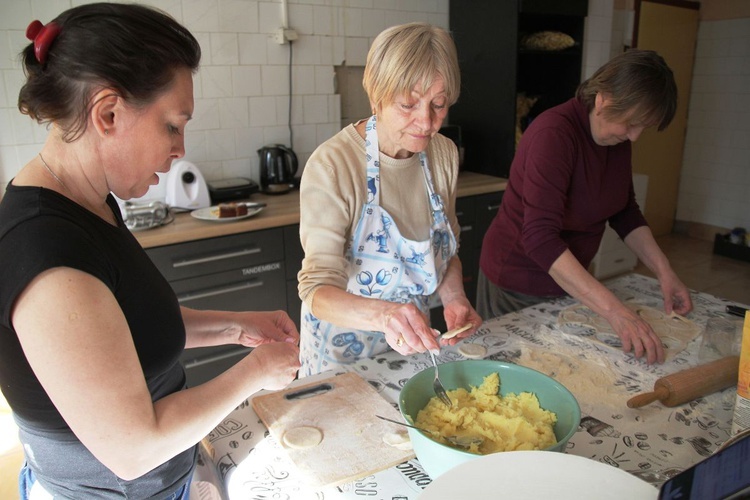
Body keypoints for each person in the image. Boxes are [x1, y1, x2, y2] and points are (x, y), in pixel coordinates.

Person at [0, 4, 300, 498]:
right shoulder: (46, 252)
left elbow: (128, 329)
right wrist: (256, 372)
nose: (181, 148)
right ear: (108, 113)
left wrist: (237, 326)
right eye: (172, 125)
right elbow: (133, 447)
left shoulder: (89, 202)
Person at [477, 49, 693, 365]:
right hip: (517, 281)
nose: (635, 136)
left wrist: (664, 271)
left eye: (643, 126)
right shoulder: (554, 135)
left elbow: (624, 210)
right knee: (518, 374)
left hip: (570, 280)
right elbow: (540, 239)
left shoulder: (615, 139)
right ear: (603, 100)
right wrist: (616, 312)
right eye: (632, 123)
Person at [297, 22, 481, 376]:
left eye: (439, 105)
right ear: (376, 96)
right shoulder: (333, 165)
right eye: (408, 104)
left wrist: (454, 297)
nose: (426, 122)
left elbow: (444, 253)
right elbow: (317, 290)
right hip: (341, 360)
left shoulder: (442, 155)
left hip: (414, 347)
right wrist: (385, 315)